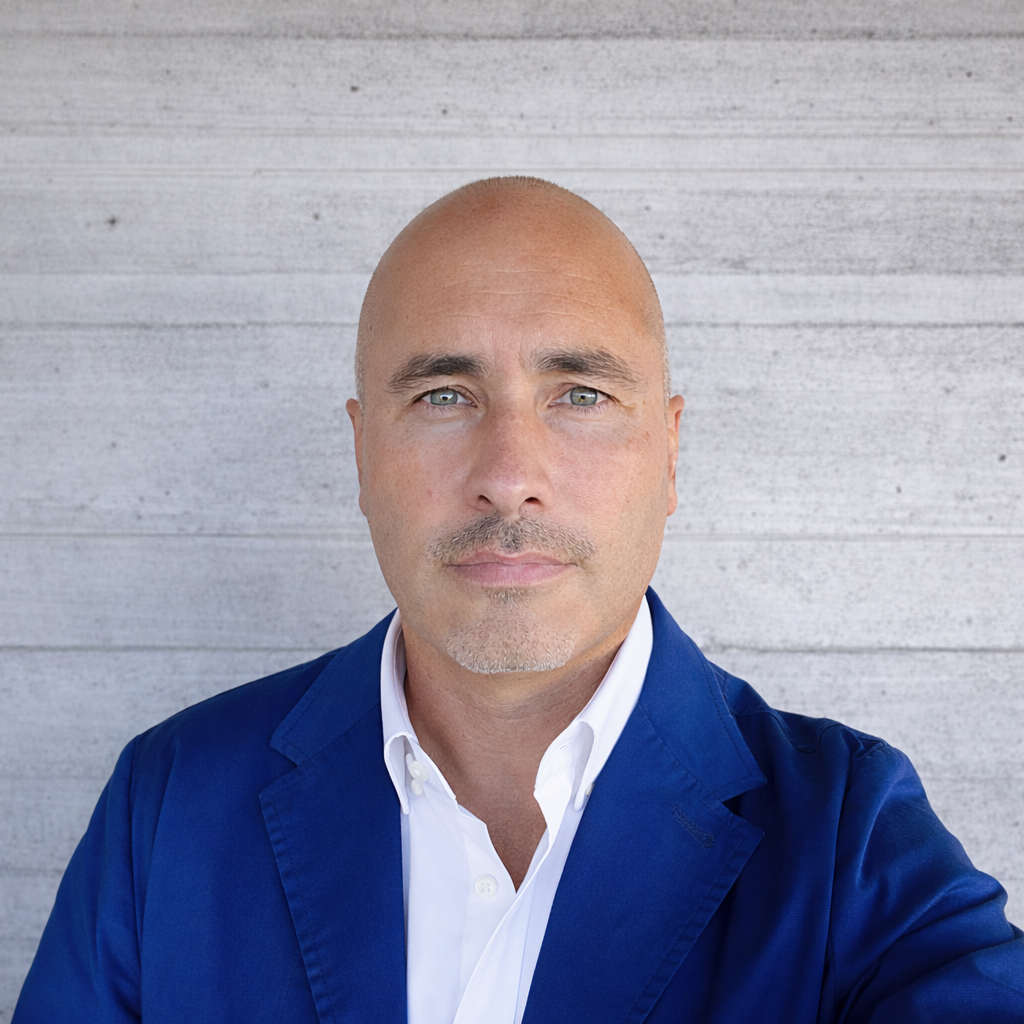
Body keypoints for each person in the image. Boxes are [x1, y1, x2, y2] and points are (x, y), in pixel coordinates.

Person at [14, 177, 1022, 1024]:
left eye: (579, 394)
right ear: (363, 452)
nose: (509, 473)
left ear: (669, 454)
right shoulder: (171, 803)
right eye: (444, 395)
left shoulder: (843, 834)